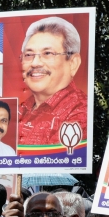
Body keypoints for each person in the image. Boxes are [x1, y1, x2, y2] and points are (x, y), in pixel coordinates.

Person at [17, 17, 87, 149]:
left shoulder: (80, 112)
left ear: (73, 63)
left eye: (47, 53)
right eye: (28, 55)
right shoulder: (20, 110)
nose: (35, 63)